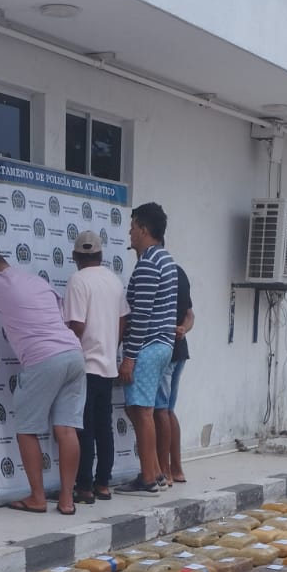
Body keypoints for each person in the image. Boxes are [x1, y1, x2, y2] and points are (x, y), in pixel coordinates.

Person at [0, 250, 85, 514]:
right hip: (74, 354)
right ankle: (67, 500)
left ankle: (37, 497)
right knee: (67, 430)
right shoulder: (37, 281)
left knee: (27, 428)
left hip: (43, 359)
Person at [62, 230, 129, 505]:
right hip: (107, 365)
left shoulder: (78, 280)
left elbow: (76, 325)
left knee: (84, 428)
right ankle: (103, 483)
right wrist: (112, 344)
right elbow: (124, 320)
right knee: (104, 427)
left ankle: (85, 487)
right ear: (100, 256)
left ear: (76, 257)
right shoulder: (113, 281)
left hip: (85, 364)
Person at [116, 201, 179, 494]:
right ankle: (154, 472)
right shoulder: (165, 260)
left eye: (132, 228)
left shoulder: (149, 265)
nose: (129, 233)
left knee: (141, 411)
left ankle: (148, 477)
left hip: (149, 345)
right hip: (163, 345)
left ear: (143, 229)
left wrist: (129, 358)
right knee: (144, 409)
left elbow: (140, 316)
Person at [157, 262, 193, 484]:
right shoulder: (179, 271)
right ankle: (176, 469)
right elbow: (190, 314)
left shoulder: (157, 271)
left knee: (160, 411)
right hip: (179, 350)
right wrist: (184, 329)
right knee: (169, 410)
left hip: (166, 352)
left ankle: (165, 471)